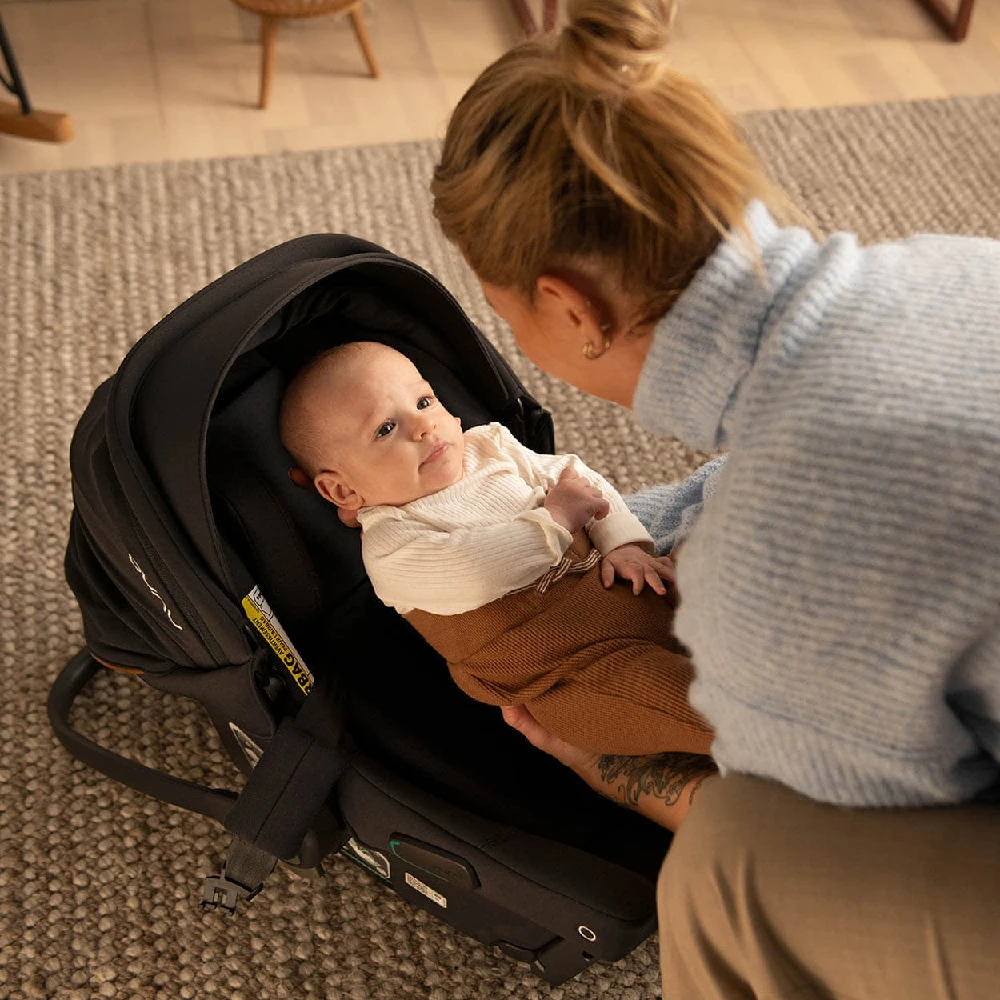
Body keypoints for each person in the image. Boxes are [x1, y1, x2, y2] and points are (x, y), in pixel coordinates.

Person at [430, 0, 1000, 995]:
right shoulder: (955, 270)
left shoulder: (768, 565)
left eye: (506, 314)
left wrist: (604, 765)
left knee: (731, 857)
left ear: (569, 306)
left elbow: (863, 823)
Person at [279, 340, 715, 800]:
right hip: (578, 672)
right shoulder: (393, 543)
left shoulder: (488, 446)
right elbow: (479, 568)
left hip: (634, 589)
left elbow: (575, 477)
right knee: (689, 700)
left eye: (424, 401)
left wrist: (624, 544)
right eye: (386, 428)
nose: (425, 425)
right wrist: (556, 519)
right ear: (342, 491)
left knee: (717, 554)